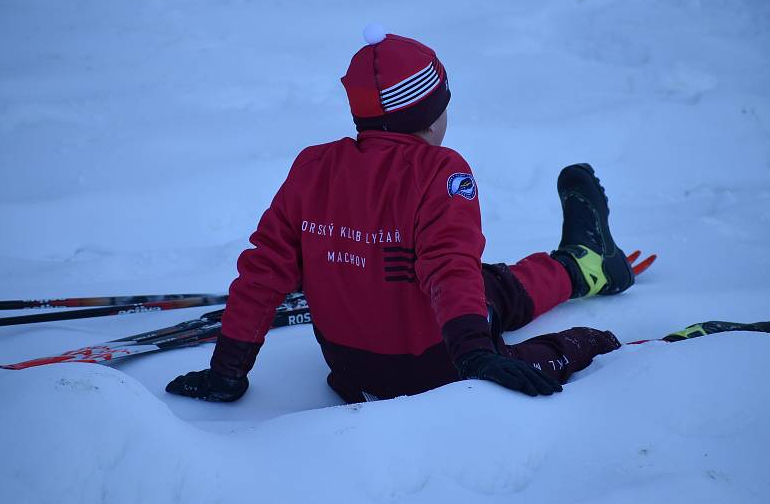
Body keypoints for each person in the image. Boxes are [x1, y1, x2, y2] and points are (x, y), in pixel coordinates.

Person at [165, 29, 650, 403]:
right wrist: (476, 354)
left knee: (490, 286)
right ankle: (641, 341)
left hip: (352, 375)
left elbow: (263, 273)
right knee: (582, 342)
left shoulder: (314, 166)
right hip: (443, 373)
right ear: (431, 113)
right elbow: (448, 266)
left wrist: (228, 371)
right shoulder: (440, 170)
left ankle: (583, 263)